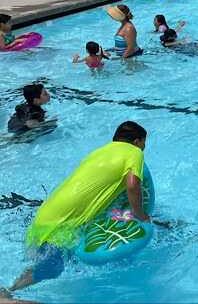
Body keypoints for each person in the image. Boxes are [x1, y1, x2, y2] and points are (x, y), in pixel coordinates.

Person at [3, 122, 150, 295]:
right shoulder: (133, 153)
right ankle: (8, 290)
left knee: (59, 257)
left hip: (47, 210)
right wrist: (141, 215)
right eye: (144, 144)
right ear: (137, 141)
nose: (144, 148)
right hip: (64, 221)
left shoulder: (98, 152)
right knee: (54, 267)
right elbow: (133, 187)